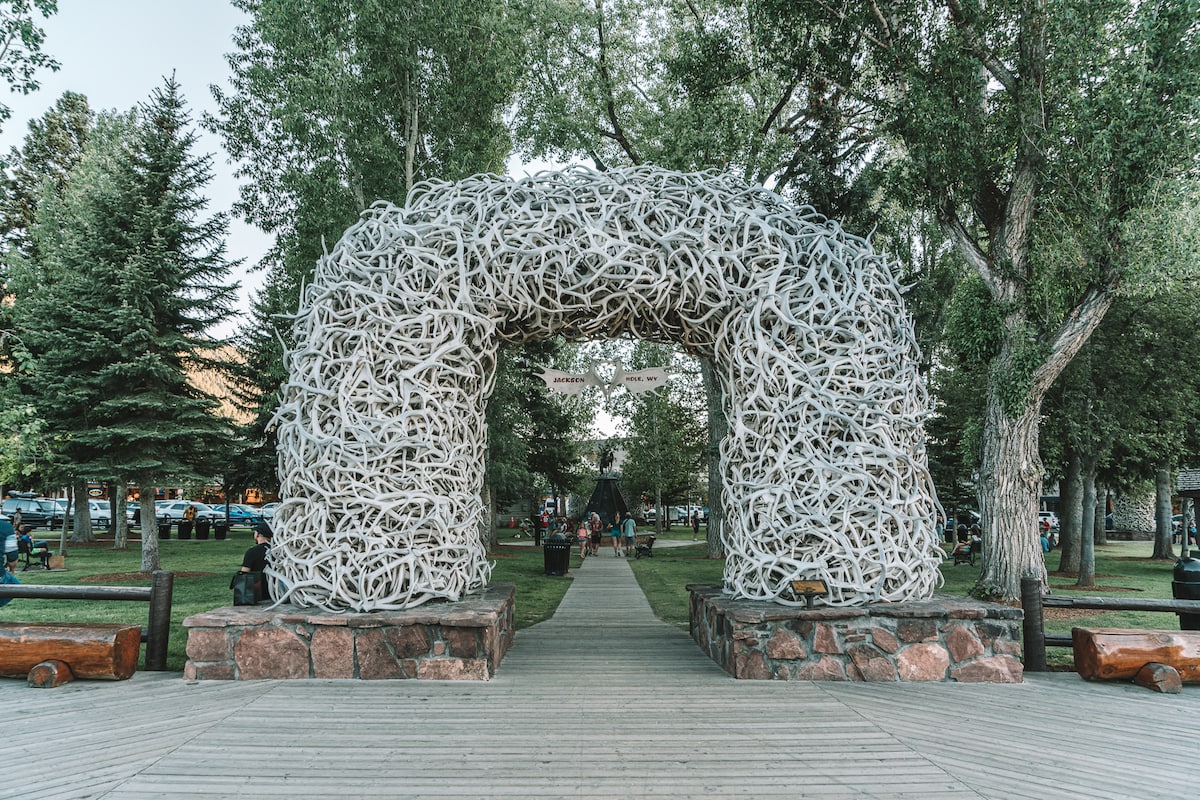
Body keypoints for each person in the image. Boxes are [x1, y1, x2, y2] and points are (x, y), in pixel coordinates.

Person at [240, 523, 273, 601]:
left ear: (258, 534)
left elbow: (244, 574)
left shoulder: (252, 552)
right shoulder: (278, 551)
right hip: (277, 593)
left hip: (256, 594)